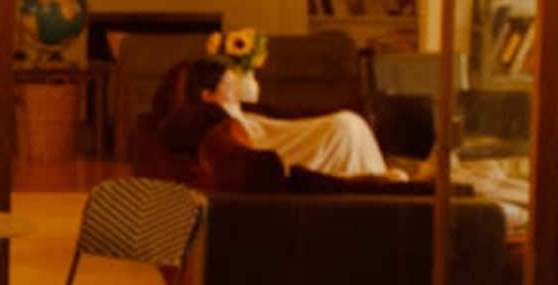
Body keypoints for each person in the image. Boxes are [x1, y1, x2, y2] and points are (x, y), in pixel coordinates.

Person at [130, 56, 400, 193]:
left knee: (349, 125)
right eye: (229, 84)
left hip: (298, 134)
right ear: (207, 95)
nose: (236, 88)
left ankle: (377, 183)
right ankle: (376, 187)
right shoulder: (219, 120)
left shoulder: (240, 111)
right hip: (286, 147)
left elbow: (282, 120)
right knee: (347, 128)